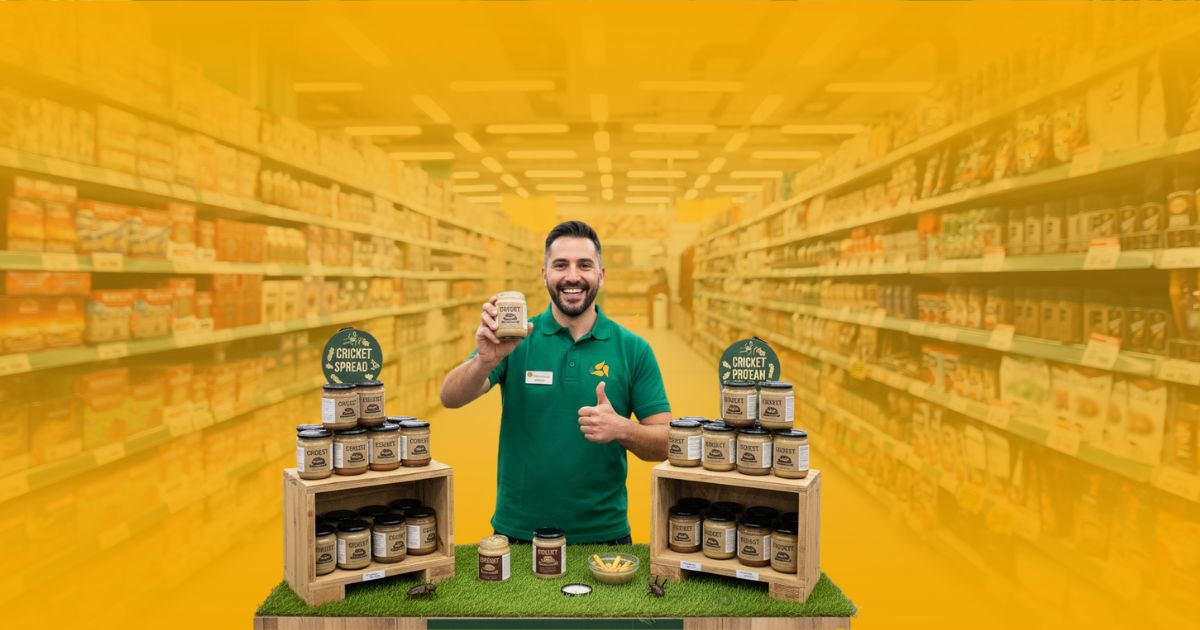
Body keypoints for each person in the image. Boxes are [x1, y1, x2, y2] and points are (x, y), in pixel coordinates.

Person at [440, 220, 672, 544]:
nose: (572, 276)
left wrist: (622, 429)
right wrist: (484, 361)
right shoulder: (516, 340)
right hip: (518, 532)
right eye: (560, 265)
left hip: (604, 535)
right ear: (544, 274)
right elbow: (449, 397)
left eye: (585, 265)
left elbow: (667, 442)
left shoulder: (632, 349)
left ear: (601, 275)